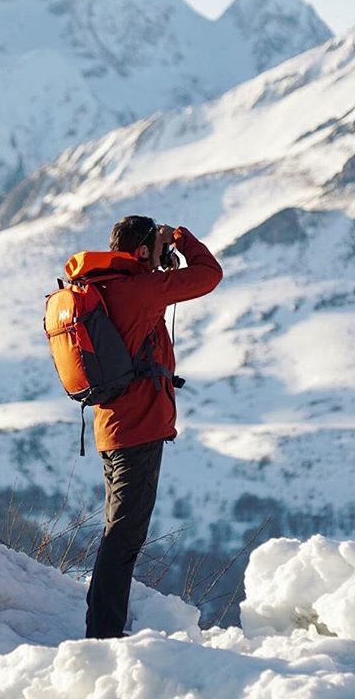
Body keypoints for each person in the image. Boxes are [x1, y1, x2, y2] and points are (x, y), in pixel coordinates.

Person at [72, 216, 223, 639]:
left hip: (114, 427)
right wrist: (182, 237)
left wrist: (159, 257)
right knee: (124, 535)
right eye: (154, 249)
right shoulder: (140, 289)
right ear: (141, 252)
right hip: (137, 428)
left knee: (119, 530)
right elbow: (210, 276)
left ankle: (101, 624)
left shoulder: (107, 288)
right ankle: (102, 632)